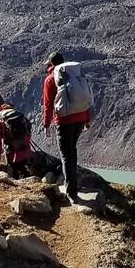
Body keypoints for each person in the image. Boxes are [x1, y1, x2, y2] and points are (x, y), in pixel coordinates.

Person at [40, 52, 93, 202]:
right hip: (80, 118)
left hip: (64, 121)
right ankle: (72, 185)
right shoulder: (75, 76)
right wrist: (87, 119)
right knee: (72, 151)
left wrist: (46, 124)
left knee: (66, 155)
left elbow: (48, 105)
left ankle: (71, 192)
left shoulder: (50, 79)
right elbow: (85, 97)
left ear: (51, 65)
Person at [0, 92, 36, 179]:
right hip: (23, 143)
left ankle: (18, 182)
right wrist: (26, 140)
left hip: (12, 146)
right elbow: (28, 125)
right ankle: (29, 178)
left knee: (14, 168)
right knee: (23, 165)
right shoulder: (14, 112)